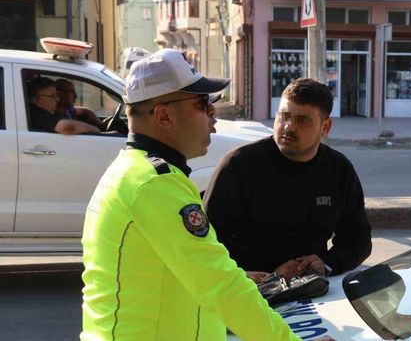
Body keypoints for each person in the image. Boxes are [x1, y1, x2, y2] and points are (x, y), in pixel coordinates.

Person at [81, 49, 301, 340]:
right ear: (163, 116)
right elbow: (221, 287)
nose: (212, 112)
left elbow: (169, 271)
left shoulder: (138, 172)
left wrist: (239, 278)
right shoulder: (154, 184)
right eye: (201, 103)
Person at [204, 78, 372, 280]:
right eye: (283, 117)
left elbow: (358, 239)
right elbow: (209, 243)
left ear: (325, 127)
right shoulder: (238, 165)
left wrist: (325, 264)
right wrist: (272, 275)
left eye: (302, 120)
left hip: (313, 290)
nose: (288, 127)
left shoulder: (338, 169)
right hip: (249, 292)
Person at [28, 77, 101, 135]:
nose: (58, 99)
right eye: (54, 96)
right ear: (41, 99)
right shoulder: (35, 114)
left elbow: (84, 111)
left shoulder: (44, 111)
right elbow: (67, 127)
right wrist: (97, 131)